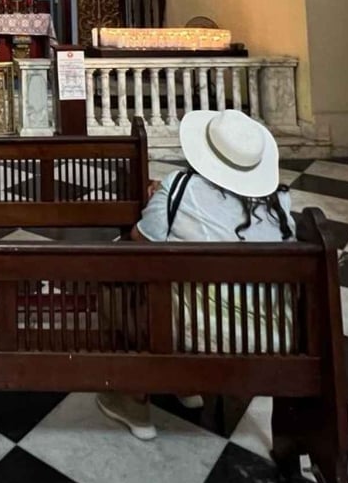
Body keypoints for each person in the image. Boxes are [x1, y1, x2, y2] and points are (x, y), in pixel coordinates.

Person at [96, 109, 295, 441]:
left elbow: (141, 237)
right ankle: (184, 384)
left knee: (119, 282)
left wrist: (162, 198)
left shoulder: (181, 188)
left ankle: (133, 398)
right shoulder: (281, 202)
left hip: (195, 330)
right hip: (269, 335)